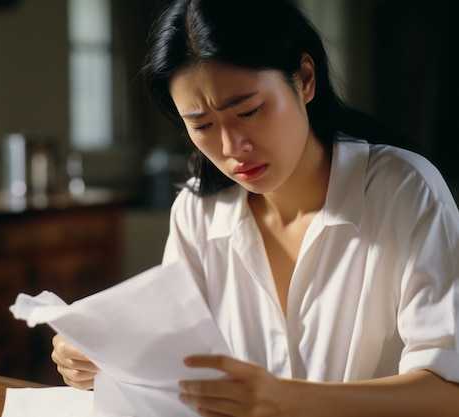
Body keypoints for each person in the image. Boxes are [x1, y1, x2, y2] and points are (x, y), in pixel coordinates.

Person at [51, 0, 459, 415]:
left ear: (304, 79)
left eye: (249, 111)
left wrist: (288, 400)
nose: (232, 148)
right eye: (202, 125)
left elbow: (449, 391)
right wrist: (100, 353)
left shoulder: (405, 191)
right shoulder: (198, 210)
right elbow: (174, 362)